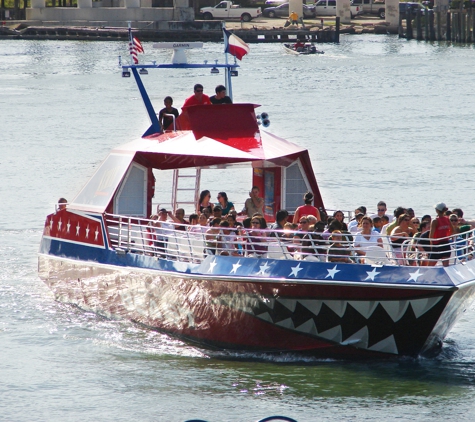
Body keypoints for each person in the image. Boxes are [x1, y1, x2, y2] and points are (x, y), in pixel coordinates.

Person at [428, 202, 454, 267]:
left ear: (437, 210)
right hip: (446, 244)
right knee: (446, 266)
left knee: (430, 267)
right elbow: (452, 230)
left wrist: (432, 245)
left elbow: (431, 236)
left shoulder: (435, 221)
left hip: (437, 245)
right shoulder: (447, 219)